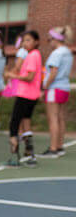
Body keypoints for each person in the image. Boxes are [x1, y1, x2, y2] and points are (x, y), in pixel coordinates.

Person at [3, 30, 43, 166]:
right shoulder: (36, 55)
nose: (25, 43)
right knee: (26, 123)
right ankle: (31, 155)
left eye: (28, 40)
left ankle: (14, 157)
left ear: (36, 42)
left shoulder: (32, 56)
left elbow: (30, 77)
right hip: (32, 95)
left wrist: (13, 76)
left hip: (25, 94)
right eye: (24, 40)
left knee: (14, 125)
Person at [41, 26, 73, 157]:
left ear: (56, 39)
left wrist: (45, 86)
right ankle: (59, 146)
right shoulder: (68, 52)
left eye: (50, 39)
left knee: (53, 119)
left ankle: (53, 148)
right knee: (60, 118)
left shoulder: (57, 53)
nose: (49, 42)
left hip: (55, 88)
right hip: (65, 88)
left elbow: (53, 72)